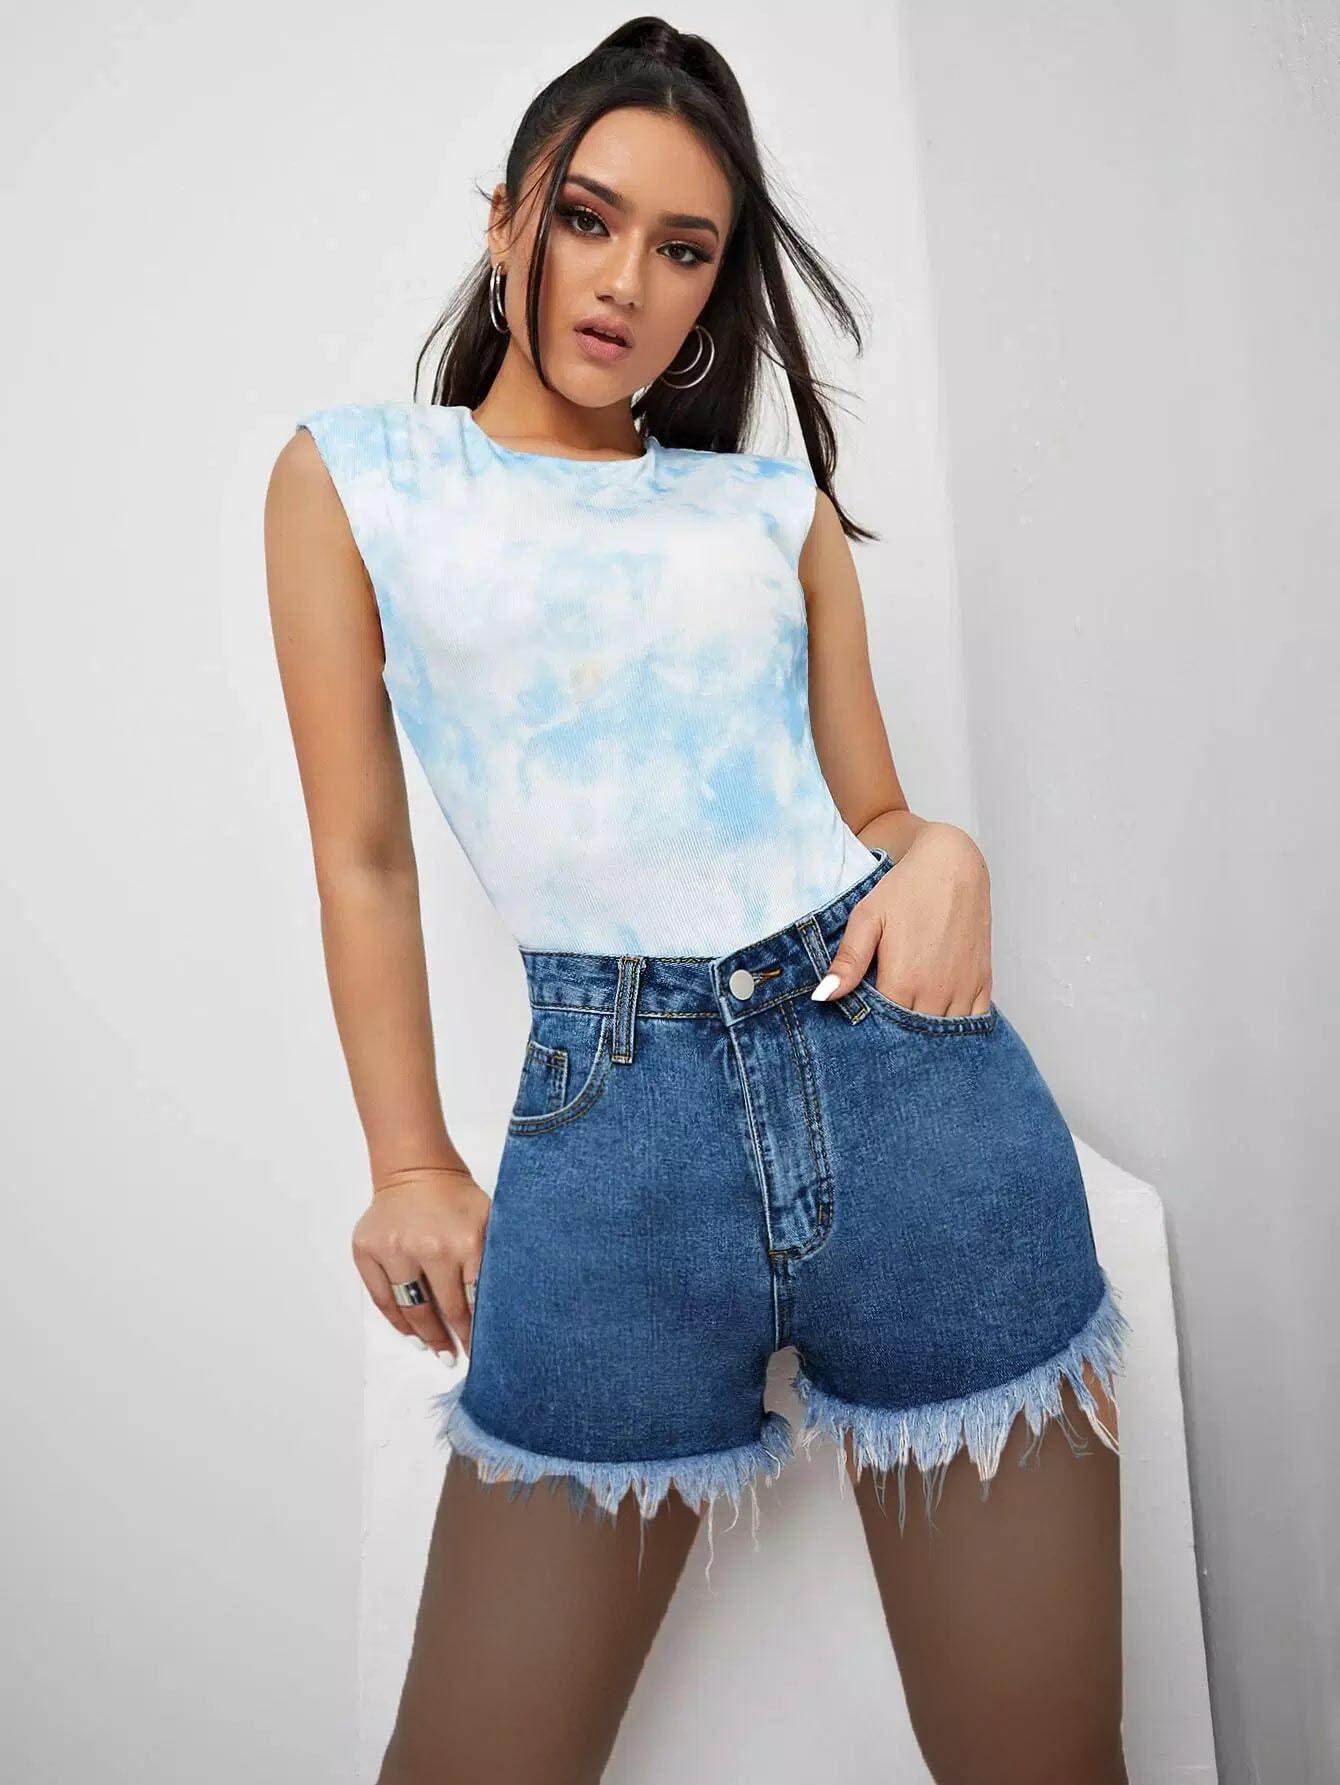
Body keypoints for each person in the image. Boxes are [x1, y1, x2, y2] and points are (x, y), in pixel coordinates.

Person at [264, 18, 1132, 1784]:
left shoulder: (766, 509)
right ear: (506, 218)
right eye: (588, 219)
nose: (625, 284)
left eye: (683, 250)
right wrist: (410, 1161)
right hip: (612, 1148)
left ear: (715, 289)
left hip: (916, 1109)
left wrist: (948, 856)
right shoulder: (357, 484)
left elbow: (873, 813)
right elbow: (364, 853)